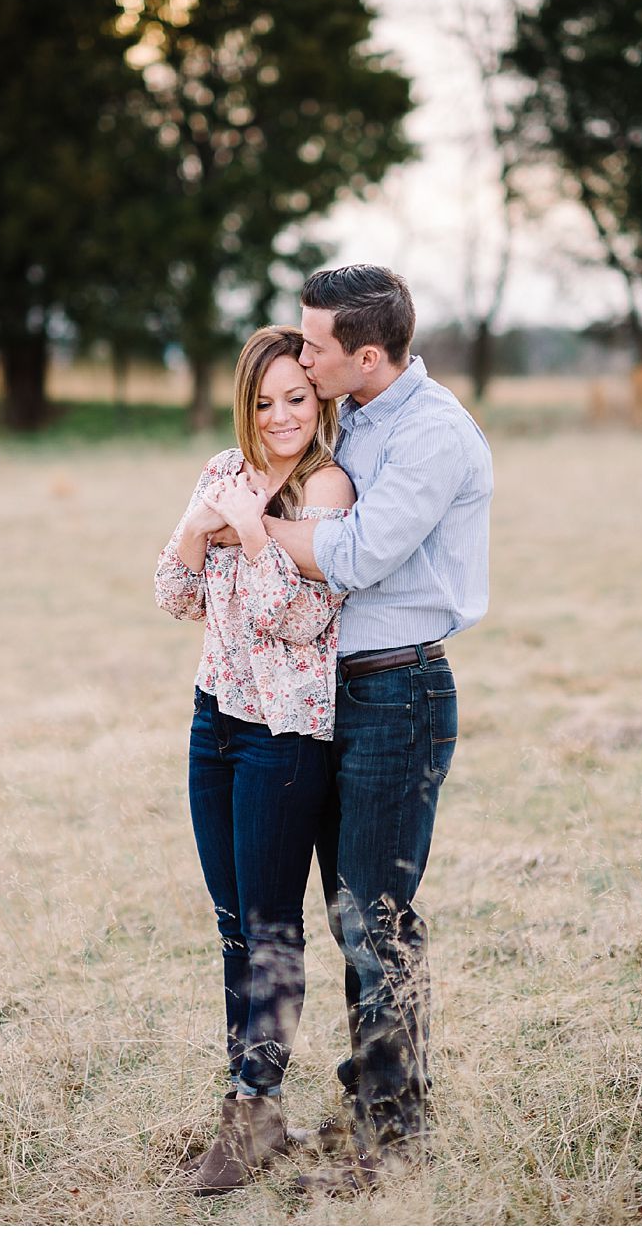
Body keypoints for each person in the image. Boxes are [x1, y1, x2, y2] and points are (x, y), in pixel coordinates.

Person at [255, 265, 493, 1194]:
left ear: (366, 354)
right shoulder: (355, 412)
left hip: (400, 696)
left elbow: (350, 557)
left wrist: (250, 523)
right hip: (333, 692)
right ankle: (374, 1098)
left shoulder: (432, 435)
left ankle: (392, 1144)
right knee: (345, 913)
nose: (300, 354)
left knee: (376, 920)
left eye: (313, 345)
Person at [154, 324, 355, 1195]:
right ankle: (257, 1106)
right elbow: (173, 594)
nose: (281, 416)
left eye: (297, 399)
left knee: (272, 926)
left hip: (286, 734)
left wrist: (256, 535)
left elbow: (306, 620)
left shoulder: (329, 488)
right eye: (265, 401)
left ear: (321, 402)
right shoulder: (221, 473)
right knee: (233, 921)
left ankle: (254, 1101)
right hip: (215, 724)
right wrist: (205, 528)